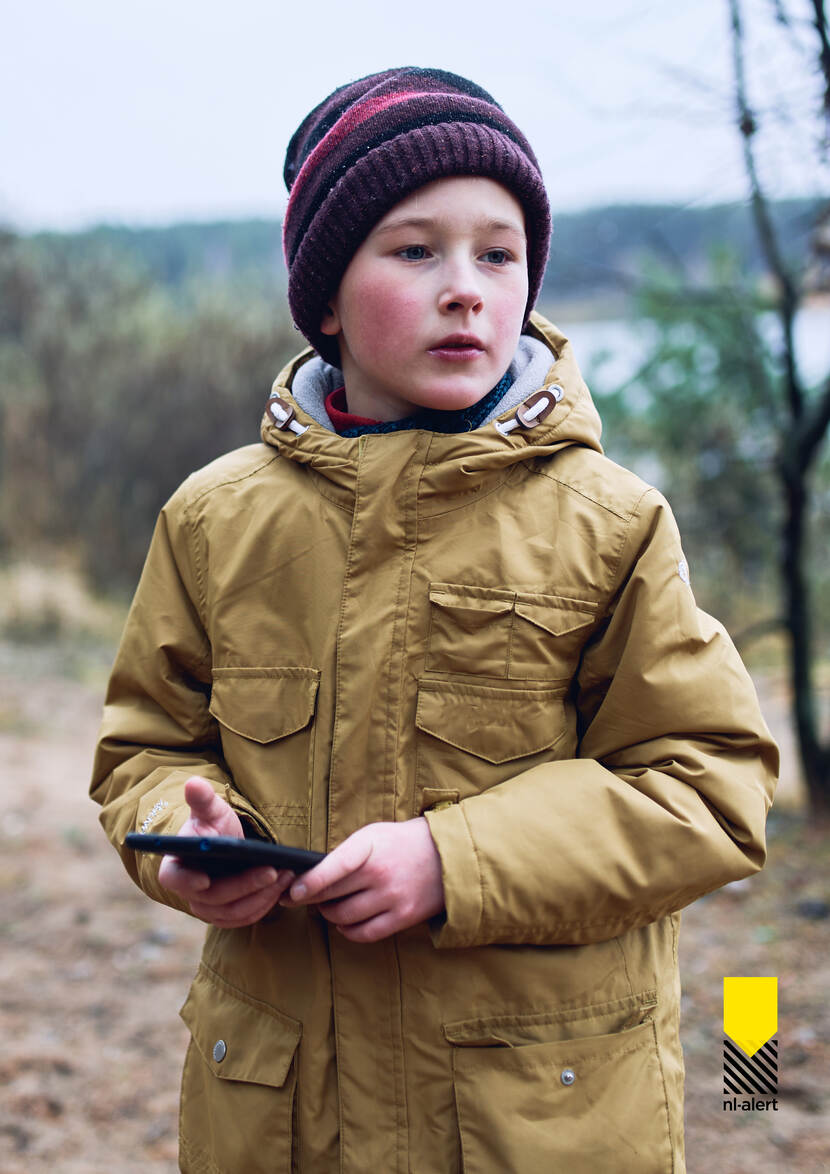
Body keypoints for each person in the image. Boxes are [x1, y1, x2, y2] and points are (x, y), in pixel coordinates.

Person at [90, 67, 778, 1174]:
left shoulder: (607, 522)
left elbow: (707, 783)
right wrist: (181, 840)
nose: (465, 289)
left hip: (534, 1125)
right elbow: (146, 745)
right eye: (414, 252)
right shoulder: (214, 521)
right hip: (280, 1120)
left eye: (496, 254)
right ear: (323, 298)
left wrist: (450, 859)